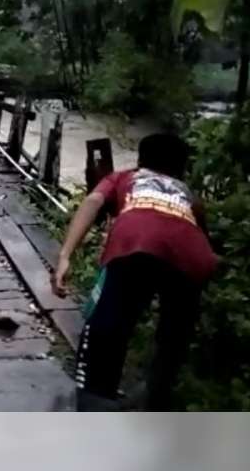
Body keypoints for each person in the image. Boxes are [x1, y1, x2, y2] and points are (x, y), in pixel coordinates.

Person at [53, 133, 218, 411]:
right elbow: (202, 240)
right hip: (194, 258)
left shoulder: (124, 177)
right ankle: (155, 401)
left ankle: (96, 405)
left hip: (137, 244)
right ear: (182, 168)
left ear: (140, 161)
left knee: (106, 334)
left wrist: (65, 255)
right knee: (172, 341)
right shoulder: (187, 194)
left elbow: (93, 202)